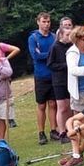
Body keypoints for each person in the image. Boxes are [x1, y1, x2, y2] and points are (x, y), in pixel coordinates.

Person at [28, 12, 58, 145]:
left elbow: (56, 53)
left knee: (53, 103)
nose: (46, 24)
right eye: (44, 22)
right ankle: (41, 132)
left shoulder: (54, 37)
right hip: (41, 75)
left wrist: (47, 54)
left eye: (48, 22)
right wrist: (50, 54)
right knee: (41, 104)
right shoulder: (33, 38)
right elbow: (36, 56)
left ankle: (53, 130)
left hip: (53, 74)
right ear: (38, 22)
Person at [47, 17, 75, 139]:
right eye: (67, 35)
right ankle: (62, 131)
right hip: (59, 80)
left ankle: (70, 128)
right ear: (61, 35)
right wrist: (65, 66)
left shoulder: (71, 46)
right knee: (61, 107)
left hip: (70, 79)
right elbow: (50, 64)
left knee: (69, 105)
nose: (69, 37)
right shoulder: (55, 47)